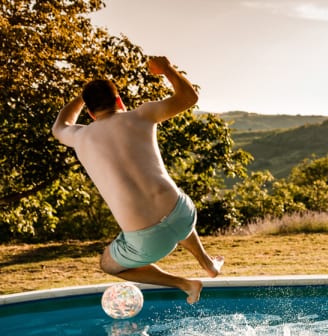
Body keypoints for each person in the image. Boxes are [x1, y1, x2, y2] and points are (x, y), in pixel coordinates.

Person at [52, 56, 223, 304]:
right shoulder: (143, 115)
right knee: (171, 209)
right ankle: (207, 263)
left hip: (148, 242)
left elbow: (60, 125)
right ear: (119, 100)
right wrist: (167, 69)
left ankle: (185, 284)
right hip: (184, 214)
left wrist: (81, 96)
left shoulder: (80, 136)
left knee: (108, 264)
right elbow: (189, 98)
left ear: (89, 112)